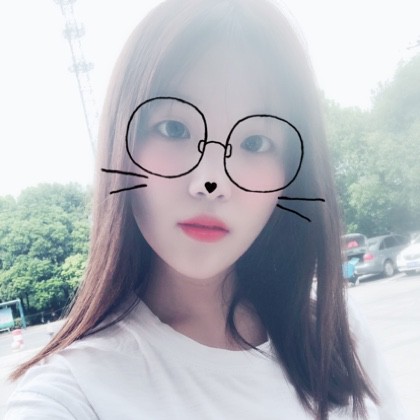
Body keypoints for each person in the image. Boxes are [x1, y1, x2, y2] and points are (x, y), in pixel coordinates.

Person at [6, 0, 406, 418]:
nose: (211, 182)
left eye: (254, 143)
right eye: (174, 129)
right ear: (121, 143)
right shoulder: (74, 392)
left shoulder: (333, 328)